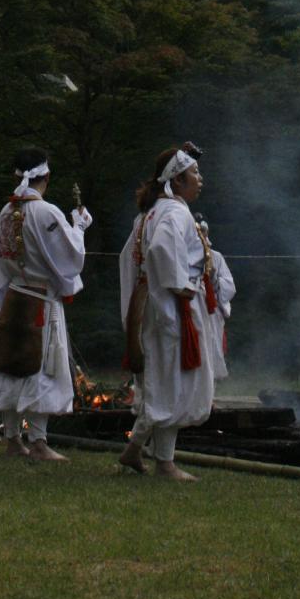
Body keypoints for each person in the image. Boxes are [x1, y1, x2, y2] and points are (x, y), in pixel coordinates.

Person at [118, 145, 217, 481]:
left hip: (150, 304)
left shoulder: (149, 213)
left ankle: (149, 454)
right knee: (172, 379)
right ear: (176, 180)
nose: (200, 180)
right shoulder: (175, 213)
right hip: (170, 308)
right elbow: (161, 248)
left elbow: (128, 259)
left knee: (162, 378)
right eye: (194, 174)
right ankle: (161, 461)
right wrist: (179, 284)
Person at [0, 149, 92, 461]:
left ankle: (12, 438)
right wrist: (81, 229)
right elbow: (69, 259)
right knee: (41, 368)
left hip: (14, 296)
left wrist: (1, 298)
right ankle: (39, 441)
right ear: (46, 177)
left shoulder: (7, 212)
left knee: (10, 365)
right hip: (40, 300)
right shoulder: (46, 213)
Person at [195, 214, 236, 382]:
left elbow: (230, 286)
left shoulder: (216, 257)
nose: (202, 236)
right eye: (199, 233)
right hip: (191, 307)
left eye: (204, 232)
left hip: (211, 311)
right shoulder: (182, 254)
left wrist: (214, 280)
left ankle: (209, 395)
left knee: (210, 351)